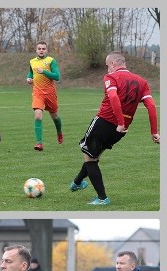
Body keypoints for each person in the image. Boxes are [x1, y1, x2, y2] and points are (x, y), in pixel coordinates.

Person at [69, 51, 160, 205]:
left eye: (107, 66)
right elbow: (151, 106)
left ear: (113, 64)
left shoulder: (111, 77)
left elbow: (113, 97)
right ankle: (77, 183)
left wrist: (119, 121)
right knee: (94, 155)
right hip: (120, 131)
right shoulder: (142, 81)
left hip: (105, 123)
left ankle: (102, 198)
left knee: (89, 158)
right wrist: (154, 132)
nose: (107, 69)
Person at [27, 41, 63, 151]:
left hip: (50, 94)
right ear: (36, 50)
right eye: (39, 48)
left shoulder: (51, 61)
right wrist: (28, 78)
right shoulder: (32, 62)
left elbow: (57, 76)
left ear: (46, 50)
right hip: (37, 93)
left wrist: (44, 71)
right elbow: (31, 73)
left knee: (55, 117)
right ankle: (39, 143)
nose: (41, 50)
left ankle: (59, 132)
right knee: (37, 115)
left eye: (43, 48)